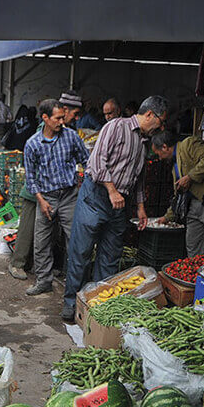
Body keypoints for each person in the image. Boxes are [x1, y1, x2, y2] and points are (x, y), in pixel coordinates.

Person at [61, 96, 169, 322]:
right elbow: (97, 161)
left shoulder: (143, 141)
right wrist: (111, 190)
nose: (161, 127)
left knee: (110, 258)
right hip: (97, 196)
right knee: (81, 252)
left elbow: (139, 178)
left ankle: (98, 307)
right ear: (150, 114)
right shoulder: (115, 127)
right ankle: (71, 303)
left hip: (121, 203)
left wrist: (140, 206)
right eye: (160, 122)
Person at [23, 99, 89, 296]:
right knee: (42, 241)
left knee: (75, 239)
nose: (62, 122)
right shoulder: (32, 144)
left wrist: (84, 185)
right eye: (58, 118)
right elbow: (30, 177)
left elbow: (86, 160)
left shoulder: (71, 136)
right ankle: (44, 281)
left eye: (63, 117)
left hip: (69, 195)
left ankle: (76, 283)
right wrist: (41, 200)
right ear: (45, 118)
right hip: (46, 198)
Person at [152, 130, 204, 261]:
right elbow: (178, 195)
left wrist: (190, 177)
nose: (159, 158)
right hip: (192, 206)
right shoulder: (174, 164)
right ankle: (197, 274)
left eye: (158, 154)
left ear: (164, 146)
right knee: (194, 247)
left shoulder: (189, 144)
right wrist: (167, 217)